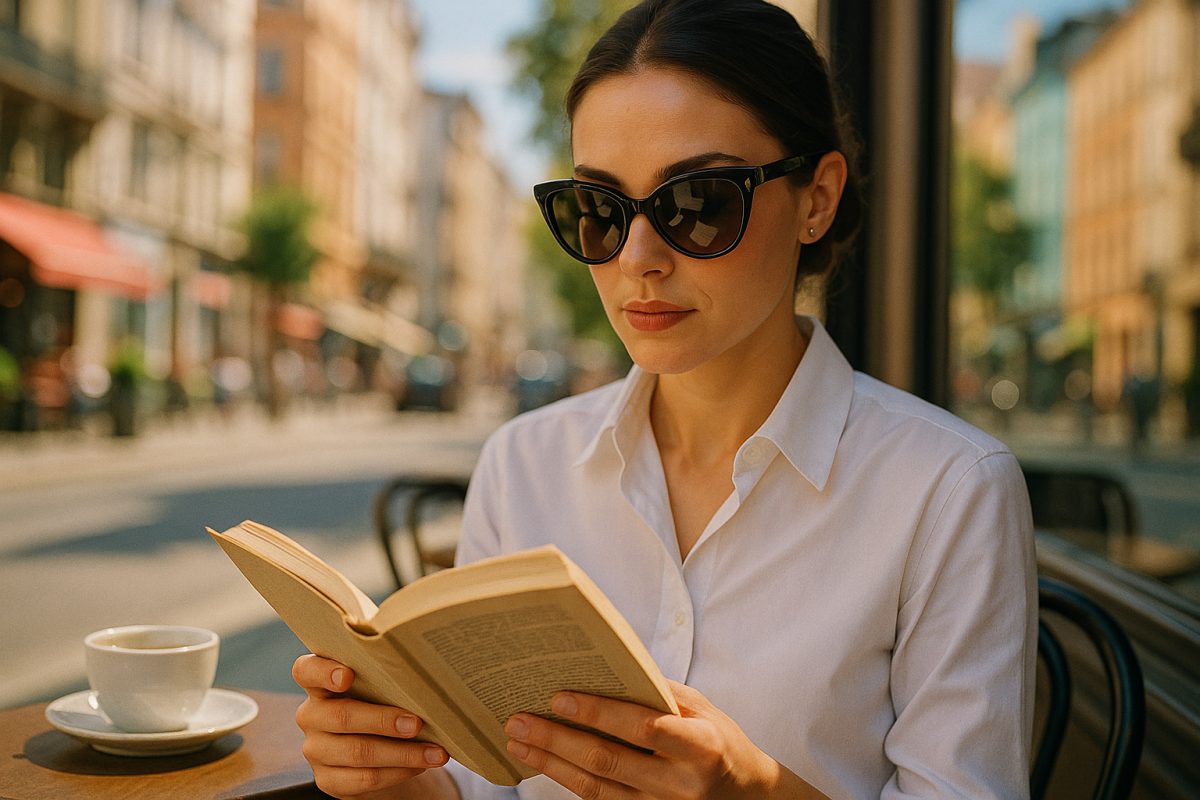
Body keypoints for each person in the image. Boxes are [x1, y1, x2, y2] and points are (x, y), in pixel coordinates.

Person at [291, 1, 1036, 797]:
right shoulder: (525, 462)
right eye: (600, 211)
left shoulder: (948, 490)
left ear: (816, 198)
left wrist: (753, 790)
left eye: (699, 203)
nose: (639, 259)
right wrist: (384, 770)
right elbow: (488, 789)